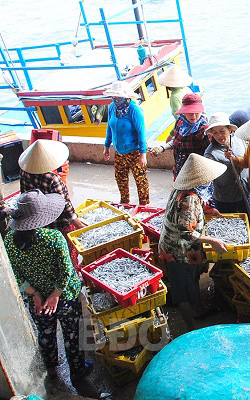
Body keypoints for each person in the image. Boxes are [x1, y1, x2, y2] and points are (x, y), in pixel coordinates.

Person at [2, 190, 92, 380]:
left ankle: (51, 370)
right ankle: (77, 371)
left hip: (37, 301)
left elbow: (16, 275)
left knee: (46, 334)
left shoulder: (9, 240)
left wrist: (35, 294)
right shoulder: (54, 238)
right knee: (72, 335)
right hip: (65, 298)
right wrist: (54, 295)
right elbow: (66, 271)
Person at [158, 154, 228, 332]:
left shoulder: (183, 188)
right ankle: (190, 329)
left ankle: (198, 310)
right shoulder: (189, 198)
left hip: (184, 249)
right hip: (178, 252)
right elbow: (186, 232)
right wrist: (213, 241)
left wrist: (209, 210)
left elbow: (188, 212)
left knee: (193, 279)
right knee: (183, 293)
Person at [18, 139, 87, 268]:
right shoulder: (52, 179)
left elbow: (24, 195)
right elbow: (65, 203)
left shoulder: (24, 172)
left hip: (37, 222)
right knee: (66, 252)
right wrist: (76, 222)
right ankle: (73, 274)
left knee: (49, 252)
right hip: (59, 223)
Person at [103, 80, 150, 205]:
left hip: (134, 151)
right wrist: (107, 145)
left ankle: (144, 204)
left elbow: (141, 133)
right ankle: (124, 202)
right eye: (114, 97)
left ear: (126, 97)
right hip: (119, 152)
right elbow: (110, 127)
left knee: (140, 180)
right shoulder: (112, 107)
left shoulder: (135, 110)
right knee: (120, 179)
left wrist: (143, 154)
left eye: (118, 97)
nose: (116, 100)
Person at [149, 93, 210, 178]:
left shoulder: (204, 129)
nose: (193, 115)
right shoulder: (180, 121)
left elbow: (210, 153)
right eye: (189, 112)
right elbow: (177, 141)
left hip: (197, 173)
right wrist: (162, 148)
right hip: (180, 169)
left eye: (196, 112)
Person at [204, 112, 249, 213]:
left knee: (249, 222)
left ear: (229, 129)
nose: (219, 135)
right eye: (214, 132)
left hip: (246, 192)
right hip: (226, 198)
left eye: (222, 131)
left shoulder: (239, 139)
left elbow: (247, 160)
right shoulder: (210, 153)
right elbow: (207, 179)